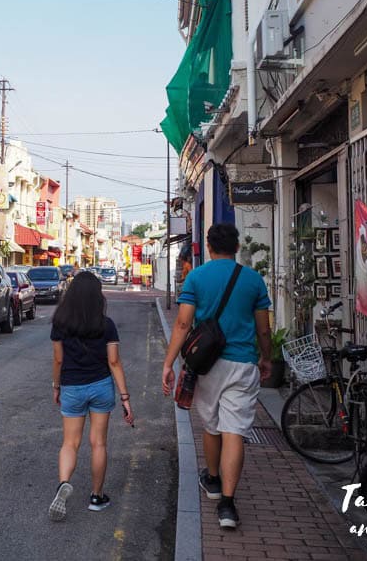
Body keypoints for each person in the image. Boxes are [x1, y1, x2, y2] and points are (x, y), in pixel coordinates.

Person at [161, 223, 271, 529]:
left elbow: (182, 325)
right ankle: (227, 505)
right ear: (237, 247)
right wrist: (267, 358)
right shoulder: (253, 280)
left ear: (208, 247)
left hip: (206, 364)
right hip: (243, 363)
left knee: (211, 426)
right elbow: (263, 327)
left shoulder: (196, 277)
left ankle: (211, 479)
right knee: (234, 431)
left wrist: (169, 363)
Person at [48, 272, 134, 521]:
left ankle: (63, 483)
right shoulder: (106, 324)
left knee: (69, 443)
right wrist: (125, 398)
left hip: (72, 387)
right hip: (100, 386)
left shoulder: (60, 323)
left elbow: (58, 359)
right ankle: (96, 497)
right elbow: (114, 362)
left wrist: (56, 386)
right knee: (98, 443)